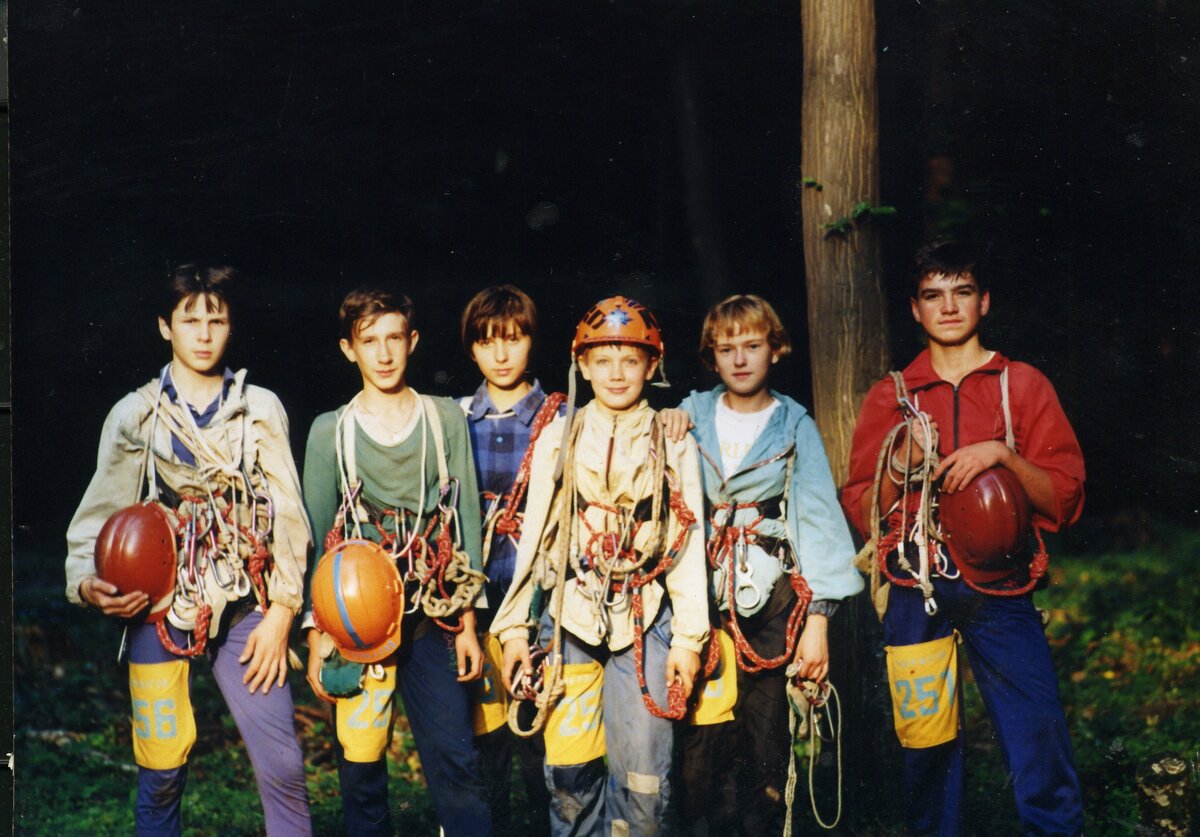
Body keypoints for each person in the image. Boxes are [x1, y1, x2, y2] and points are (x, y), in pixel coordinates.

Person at [841, 241, 1086, 836]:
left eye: (962, 291)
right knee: (924, 740)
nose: (948, 307)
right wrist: (900, 463)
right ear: (915, 309)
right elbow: (858, 502)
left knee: (1036, 729)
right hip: (913, 584)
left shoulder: (1021, 385)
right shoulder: (893, 394)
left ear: (984, 301)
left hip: (1001, 585)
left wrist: (1002, 456)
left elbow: (1067, 496)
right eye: (933, 295)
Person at [64, 264, 313, 836]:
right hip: (159, 600)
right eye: (189, 319)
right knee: (162, 767)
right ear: (164, 326)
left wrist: (282, 611)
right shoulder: (137, 415)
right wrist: (86, 582)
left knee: (283, 766)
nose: (203, 333)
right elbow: (97, 515)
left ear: (231, 327)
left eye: (216, 319)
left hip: (246, 601)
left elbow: (289, 514)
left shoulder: (260, 409)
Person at [490, 296, 708, 836]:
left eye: (630, 360)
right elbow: (535, 533)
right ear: (581, 365)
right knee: (569, 773)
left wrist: (689, 640)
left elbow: (687, 542)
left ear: (651, 366)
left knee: (644, 780)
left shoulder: (673, 441)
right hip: (571, 614)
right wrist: (515, 628)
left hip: (646, 613)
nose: (616, 373)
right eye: (602, 360)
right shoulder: (558, 438)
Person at [661, 294, 863, 835]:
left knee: (767, 736)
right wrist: (666, 421)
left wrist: (817, 619)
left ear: (775, 350)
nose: (741, 359)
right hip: (700, 600)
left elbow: (818, 519)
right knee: (702, 740)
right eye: (727, 349)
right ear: (712, 356)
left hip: (772, 602)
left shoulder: (794, 425)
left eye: (753, 346)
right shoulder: (690, 415)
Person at [301, 287, 492, 837]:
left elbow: (467, 524)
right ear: (348, 349)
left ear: (412, 342)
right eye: (369, 342)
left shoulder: (443, 420)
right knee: (361, 768)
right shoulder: (329, 431)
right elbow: (319, 540)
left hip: (433, 612)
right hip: (355, 617)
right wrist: (319, 635)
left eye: (393, 339)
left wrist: (468, 624)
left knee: (456, 761)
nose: (383, 354)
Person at [457, 285, 558, 836]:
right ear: (472, 349)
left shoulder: (559, 418)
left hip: (535, 596)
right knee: (482, 734)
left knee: (536, 731)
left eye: (513, 340)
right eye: (487, 342)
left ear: (530, 343)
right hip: (472, 598)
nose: (501, 355)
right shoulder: (452, 420)